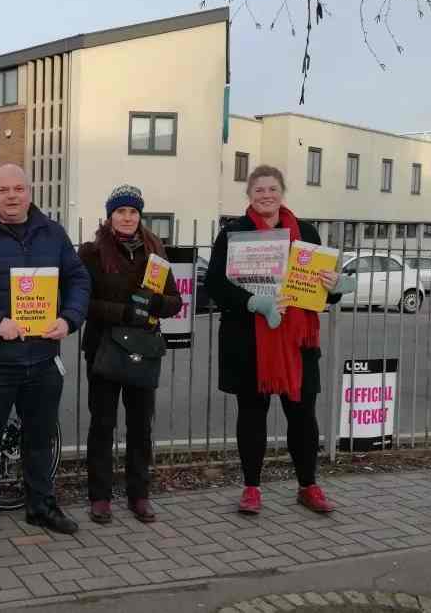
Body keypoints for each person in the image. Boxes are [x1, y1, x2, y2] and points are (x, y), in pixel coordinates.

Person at [0, 163, 91, 550]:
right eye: (2, 190)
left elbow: (78, 279)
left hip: (43, 358)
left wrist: (69, 317)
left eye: (18, 189)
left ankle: (41, 505)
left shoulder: (53, 233)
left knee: (40, 439)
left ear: (30, 191)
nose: (11, 196)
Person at [206, 164, 353, 516]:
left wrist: (336, 286)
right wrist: (254, 302)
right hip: (249, 340)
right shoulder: (233, 233)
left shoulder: (305, 232)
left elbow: (321, 289)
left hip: (298, 343)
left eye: (272, 189)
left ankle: (308, 485)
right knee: (252, 416)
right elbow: (215, 284)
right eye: (259, 190)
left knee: (303, 416)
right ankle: (252, 488)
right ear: (249, 195)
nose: (266, 195)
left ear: (282, 192)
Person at [78, 185, 182, 524]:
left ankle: (139, 494)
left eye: (133, 212)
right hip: (104, 350)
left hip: (142, 350)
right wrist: (124, 313)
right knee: (102, 425)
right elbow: (84, 303)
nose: (127, 217)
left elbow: (174, 301)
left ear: (140, 215)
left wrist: (156, 304)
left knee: (140, 426)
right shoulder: (92, 252)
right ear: (110, 216)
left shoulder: (156, 251)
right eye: (120, 211)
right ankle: (101, 497)